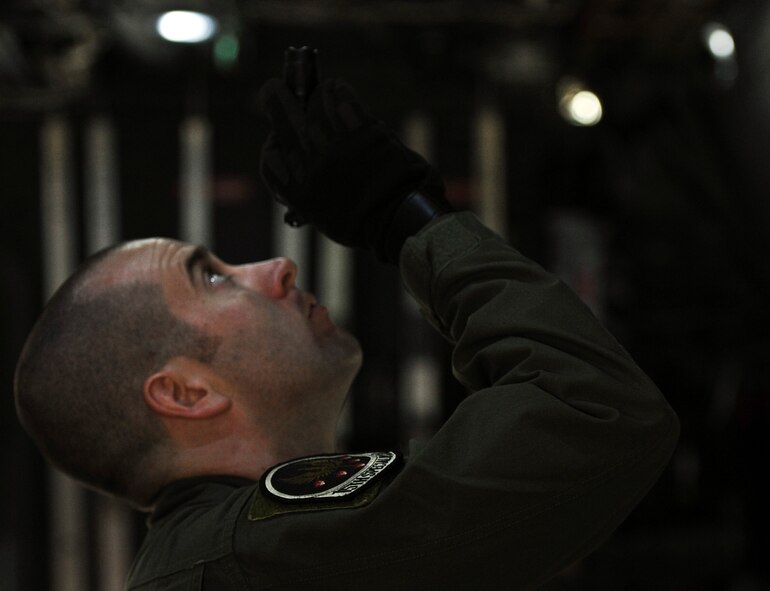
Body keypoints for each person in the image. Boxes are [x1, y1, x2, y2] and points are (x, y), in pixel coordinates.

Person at [14, 77, 679, 590]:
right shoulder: (260, 558)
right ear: (186, 391)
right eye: (213, 278)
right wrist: (407, 220)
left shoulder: (237, 556)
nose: (276, 266)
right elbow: (593, 410)